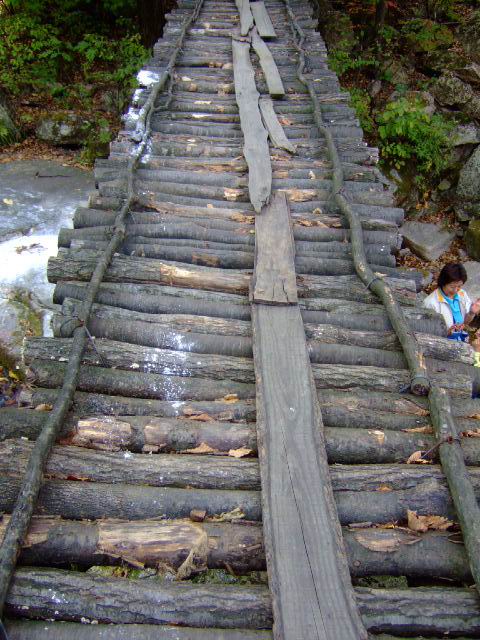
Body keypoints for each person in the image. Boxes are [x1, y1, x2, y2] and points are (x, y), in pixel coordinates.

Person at [423, 263, 480, 339]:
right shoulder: (431, 303)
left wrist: (471, 313)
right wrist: (447, 333)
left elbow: (464, 323)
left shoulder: (462, 294)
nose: (456, 290)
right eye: (452, 287)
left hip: (459, 340)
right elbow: (426, 334)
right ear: (443, 282)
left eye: (459, 286)